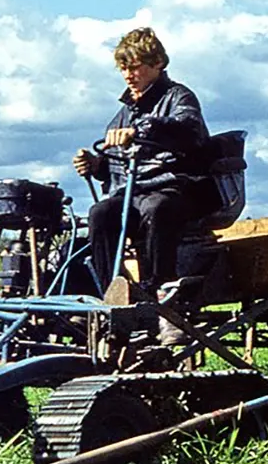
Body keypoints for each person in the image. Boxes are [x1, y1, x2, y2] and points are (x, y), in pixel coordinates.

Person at [73, 27, 221, 295]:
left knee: (157, 207)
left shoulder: (179, 97)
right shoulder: (123, 114)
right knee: (101, 214)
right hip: (133, 196)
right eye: (123, 69)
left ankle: (160, 290)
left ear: (158, 64)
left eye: (135, 67)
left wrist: (141, 131)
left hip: (178, 190)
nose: (128, 75)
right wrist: (96, 165)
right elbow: (115, 166)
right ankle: (112, 294)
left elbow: (187, 128)